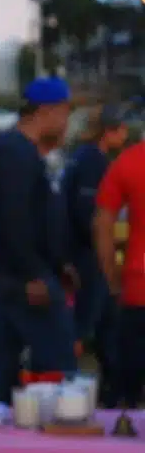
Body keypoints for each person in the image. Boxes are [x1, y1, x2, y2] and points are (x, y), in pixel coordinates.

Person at [0, 77, 78, 404]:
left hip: (21, 275)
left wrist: (59, 263)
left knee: (2, 368)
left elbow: (36, 219)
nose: (66, 123)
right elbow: (15, 220)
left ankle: (4, 427)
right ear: (47, 111)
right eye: (64, 113)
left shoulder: (24, 153)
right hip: (24, 279)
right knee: (59, 367)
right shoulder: (15, 153)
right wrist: (34, 273)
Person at [63, 106, 126, 387]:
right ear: (109, 132)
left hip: (84, 253)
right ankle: (68, 382)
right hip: (89, 255)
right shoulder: (93, 163)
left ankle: (114, 387)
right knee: (86, 323)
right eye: (122, 130)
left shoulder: (83, 158)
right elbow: (87, 214)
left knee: (108, 324)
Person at [94, 125, 145, 409]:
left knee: (129, 391)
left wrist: (112, 274)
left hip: (138, 287)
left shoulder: (128, 162)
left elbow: (103, 225)